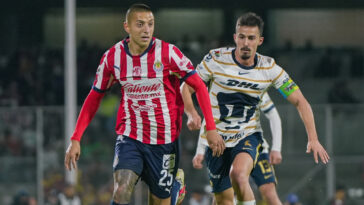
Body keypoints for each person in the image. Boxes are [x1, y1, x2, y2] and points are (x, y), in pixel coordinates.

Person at [64, 3, 225, 205]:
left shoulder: (168, 53)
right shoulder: (113, 57)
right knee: (121, 189)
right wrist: (76, 137)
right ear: (127, 27)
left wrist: (210, 127)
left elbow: (199, 86)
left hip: (164, 141)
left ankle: (175, 188)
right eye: (140, 24)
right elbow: (95, 96)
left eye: (150, 24)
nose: (146, 29)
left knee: (160, 201)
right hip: (130, 136)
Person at [181, 12, 329, 205]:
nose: (245, 43)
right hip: (216, 139)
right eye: (241, 37)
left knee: (239, 175)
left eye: (251, 38)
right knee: (223, 200)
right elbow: (186, 87)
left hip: (247, 135)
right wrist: (191, 112)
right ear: (235, 38)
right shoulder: (215, 59)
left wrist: (314, 138)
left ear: (260, 40)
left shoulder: (269, 68)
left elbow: (301, 101)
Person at [191, 92, 283, 205]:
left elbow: (273, 115)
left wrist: (276, 148)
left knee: (269, 192)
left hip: (254, 146)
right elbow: (209, 120)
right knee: (222, 196)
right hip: (225, 148)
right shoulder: (219, 81)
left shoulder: (257, 82)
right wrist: (200, 151)